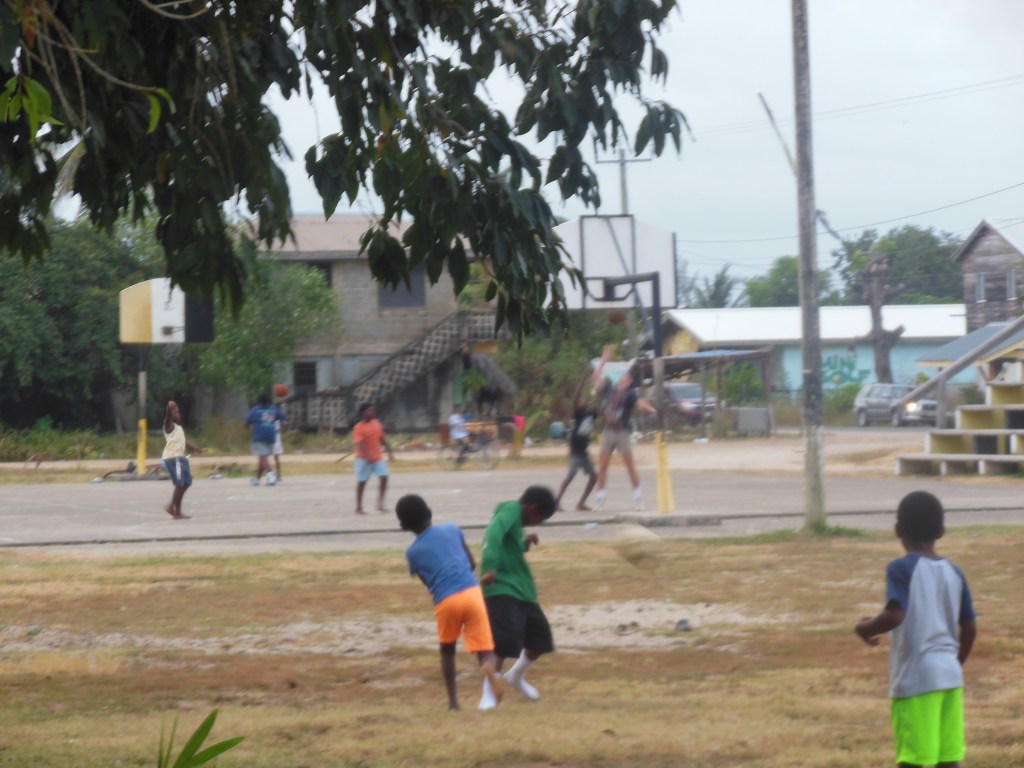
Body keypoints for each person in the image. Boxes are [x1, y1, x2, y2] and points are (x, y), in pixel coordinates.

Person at [854, 490, 977, 768]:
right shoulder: (955, 572)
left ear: (898, 530)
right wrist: (953, 664)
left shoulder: (901, 568)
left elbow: (895, 615)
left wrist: (865, 628)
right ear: (941, 532)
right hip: (950, 677)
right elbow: (969, 629)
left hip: (916, 680)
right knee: (948, 759)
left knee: (913, 761)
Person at [395, 494, 505, 711]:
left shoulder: (412, 553)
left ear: (403, 526)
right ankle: (489, 667)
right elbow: (471, 563)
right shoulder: (452, 529)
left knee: (447, 650)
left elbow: (429, 583)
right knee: (485, 648)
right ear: (429, 513)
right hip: (472, 592)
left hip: (446, 600)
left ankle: (453, 702)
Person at [478, 485, 557, 711]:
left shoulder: (516, 521)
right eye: (541, 518)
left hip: (522, 590)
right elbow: (494, 532)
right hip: (501, 587)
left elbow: (509, 545)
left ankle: (515, 676)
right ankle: (489, 693)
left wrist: (525, 542)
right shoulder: (510, 511)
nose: (539, 523)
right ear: (532, 509)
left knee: (540, 640)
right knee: (502, 644)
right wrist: (490, 567)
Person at [591, 346, 657, 511]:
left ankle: (639, 499)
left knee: (630, 466)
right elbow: (596, 379)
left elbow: (639, 403)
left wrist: (651, 409)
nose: (623, 376)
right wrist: (603, 361)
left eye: (626, 376)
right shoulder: (610, 389)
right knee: (603, 466)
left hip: (622, 432)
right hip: (608, 430)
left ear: (629, 381)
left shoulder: (630, 394)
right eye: (624, 375)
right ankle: (600, 498)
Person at [554, 373, 598, 511]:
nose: (582, 401)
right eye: (580, 401)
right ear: (578, 406)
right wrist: (583, 379)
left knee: (594, 477)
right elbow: (576, 396)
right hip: (575, 452)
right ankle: (557, 501)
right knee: (570, 476)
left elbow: (598, 404)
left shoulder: (590, 414)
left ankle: (581, 503)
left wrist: (596, 385)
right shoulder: (578, 415)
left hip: (584, 453)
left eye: (584, 400)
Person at [161, 400, 202, 520]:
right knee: (180, 484)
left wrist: (195, 447)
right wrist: (170, 408)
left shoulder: (178, 428)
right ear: (170, 415)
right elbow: (168, 416)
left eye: (178, 412)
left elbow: (184, 441)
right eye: (175, 412)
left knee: (187, 482)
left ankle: (174, 508)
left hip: (181, 458)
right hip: (173, 458)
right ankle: (174, 510)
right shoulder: (168, 426)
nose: (178, 414)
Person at [352, 402, 394, 514]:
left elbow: (382, 438)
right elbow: (360, 444)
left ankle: (380, 504)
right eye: (370, 410)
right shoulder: (358, 427)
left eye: (373, 410)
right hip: (363, 459)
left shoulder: (376, 423)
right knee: (362, 481)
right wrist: (367, 456)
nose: (373, 412)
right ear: (363, 413)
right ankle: (359, 507)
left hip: (378, 458)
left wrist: (390, 452)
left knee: (384, 477)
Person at [245, 392, 285, 486]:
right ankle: (256, 479)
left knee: (263, 457)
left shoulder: (255, 410)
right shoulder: (273, 409)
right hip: (271, 436)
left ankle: (271, 476)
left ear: (259, 401)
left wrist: (246, 426)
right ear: (268, 401)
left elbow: (247, 422)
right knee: (263, 459)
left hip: (259, 435)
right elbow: (283, 417)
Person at [272, 397, 287, 482]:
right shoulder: (277, 413)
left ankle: (273, 474)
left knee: (265, 456)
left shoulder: (270, 411)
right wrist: (283, 406)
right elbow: (283, 422)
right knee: (276, 457)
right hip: (275, 435)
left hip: (270, 434)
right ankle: (278, 475)